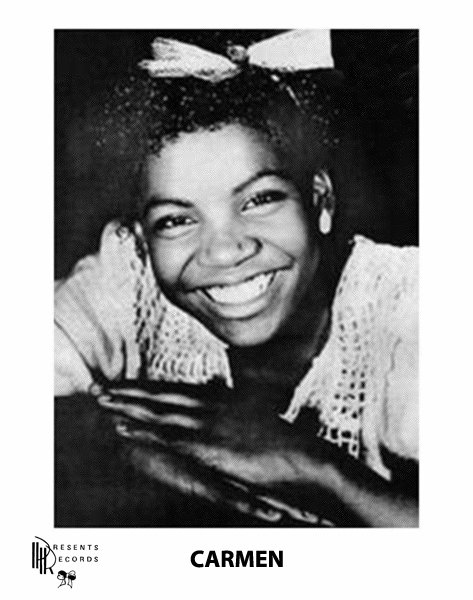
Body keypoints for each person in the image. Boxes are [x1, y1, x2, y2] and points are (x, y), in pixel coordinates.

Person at [55, 31, 418, 527]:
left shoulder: (408, 305)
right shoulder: (127, 275)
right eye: (175, 220)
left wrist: (320, 468)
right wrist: (107, 438)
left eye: (259, 200)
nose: (225, 251)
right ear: (142, 239)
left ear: (321, 201)